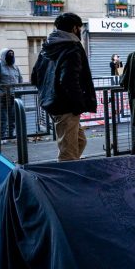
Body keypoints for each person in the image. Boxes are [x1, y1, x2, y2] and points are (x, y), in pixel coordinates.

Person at [31, 13, 97, 161]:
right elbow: (69, 80)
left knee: (80, 142)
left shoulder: (48, 46)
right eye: (79, 28)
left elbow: (35, 76)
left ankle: (70, 170)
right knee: (68, 152)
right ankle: (67, 179)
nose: (80, 31)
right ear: (75, 28)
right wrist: (79, 103)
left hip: (52, 102)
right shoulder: (71, 48)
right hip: (66, 106)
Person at [0, 48, 23, 138]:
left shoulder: (16, 67)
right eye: (9, 54)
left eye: (12, 54)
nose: (11, 55)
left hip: (14, 97)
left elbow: (20, 80)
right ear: (3, 56)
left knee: (13, 117)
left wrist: (19, 90)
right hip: (2, 98)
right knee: (3, 118)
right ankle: (1, 137)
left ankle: (11, 135)